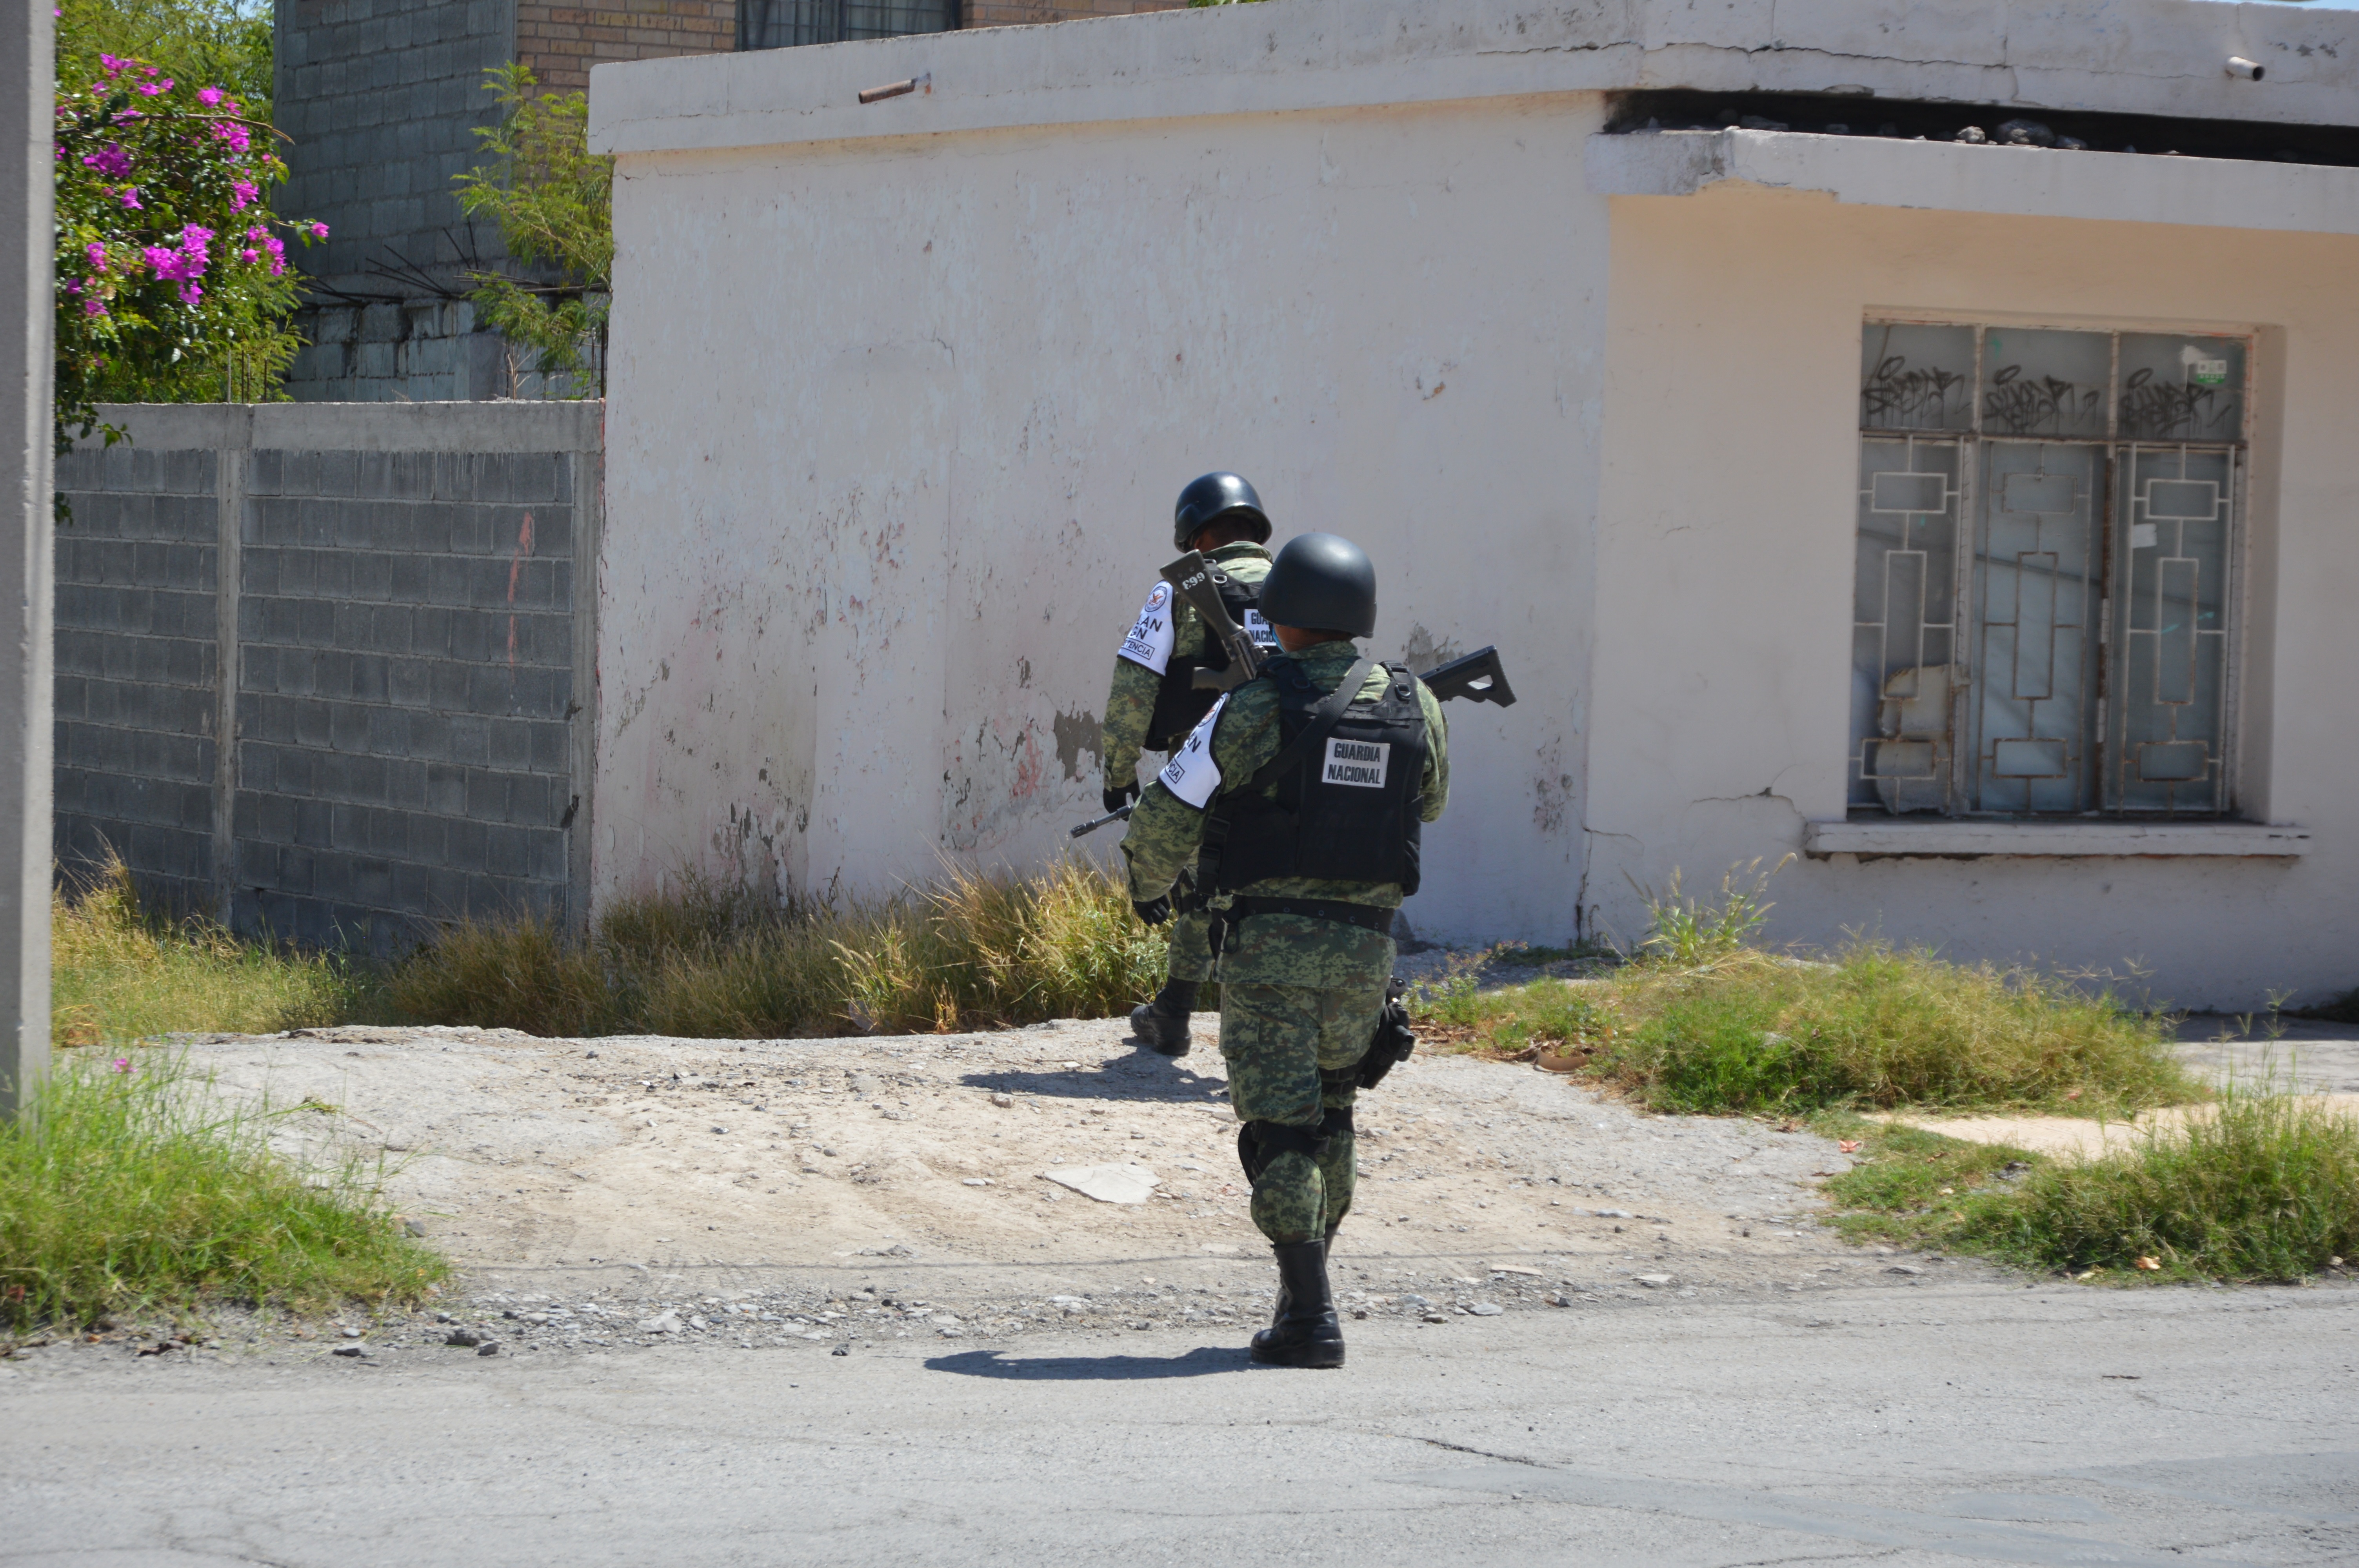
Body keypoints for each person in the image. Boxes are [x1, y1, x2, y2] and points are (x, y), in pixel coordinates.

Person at [1118, 532, 1448, 1368]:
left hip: (1269, 954)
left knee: (1280, 1134)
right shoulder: (1417, 703)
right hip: (1367, 957)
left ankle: (1309, 1318)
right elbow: (1431, 801)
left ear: (1281, 618)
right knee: (1332, 1112)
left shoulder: (1251, 707)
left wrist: (1148, 887)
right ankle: (1306, 1293)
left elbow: (1163, 820)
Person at [1102, 472, 1278, 1057]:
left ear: (1199, 537)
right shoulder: (1300, 584)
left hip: (1205, 763)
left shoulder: (1179, 592)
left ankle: (1176, 1013)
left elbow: (1135, 685)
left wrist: (1119, 772)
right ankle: (1193, 1011)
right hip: (1290, 764)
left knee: (1203, 885)